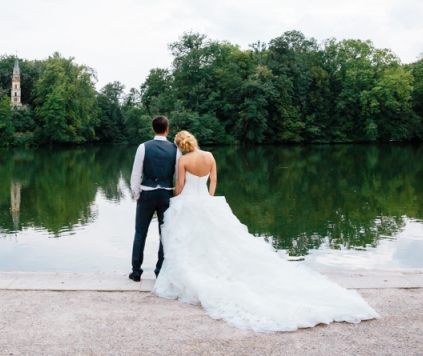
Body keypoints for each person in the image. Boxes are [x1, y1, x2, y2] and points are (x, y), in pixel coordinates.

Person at [152, 130, 379, 332]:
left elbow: (180, 185)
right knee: (217, 240)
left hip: (189, 203)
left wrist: (178, 197)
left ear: (180, 145)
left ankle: (198, 269)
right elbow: (214, 180)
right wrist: (209, 199)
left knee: (190, 240)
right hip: (208, 202)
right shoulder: (209, 156)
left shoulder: (184, 160)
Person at [128, 116, 182, 282]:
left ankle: (136, 272)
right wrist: (176, 197)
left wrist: (137, 195)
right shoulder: (175, 149)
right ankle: (159, 271)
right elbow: (179, 177)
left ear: (153, 129)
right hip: (167, 195)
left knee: (140, 233)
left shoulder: (143, 147)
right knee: (164, 234)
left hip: (147, 194)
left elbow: (136, 174)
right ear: (167, 130)